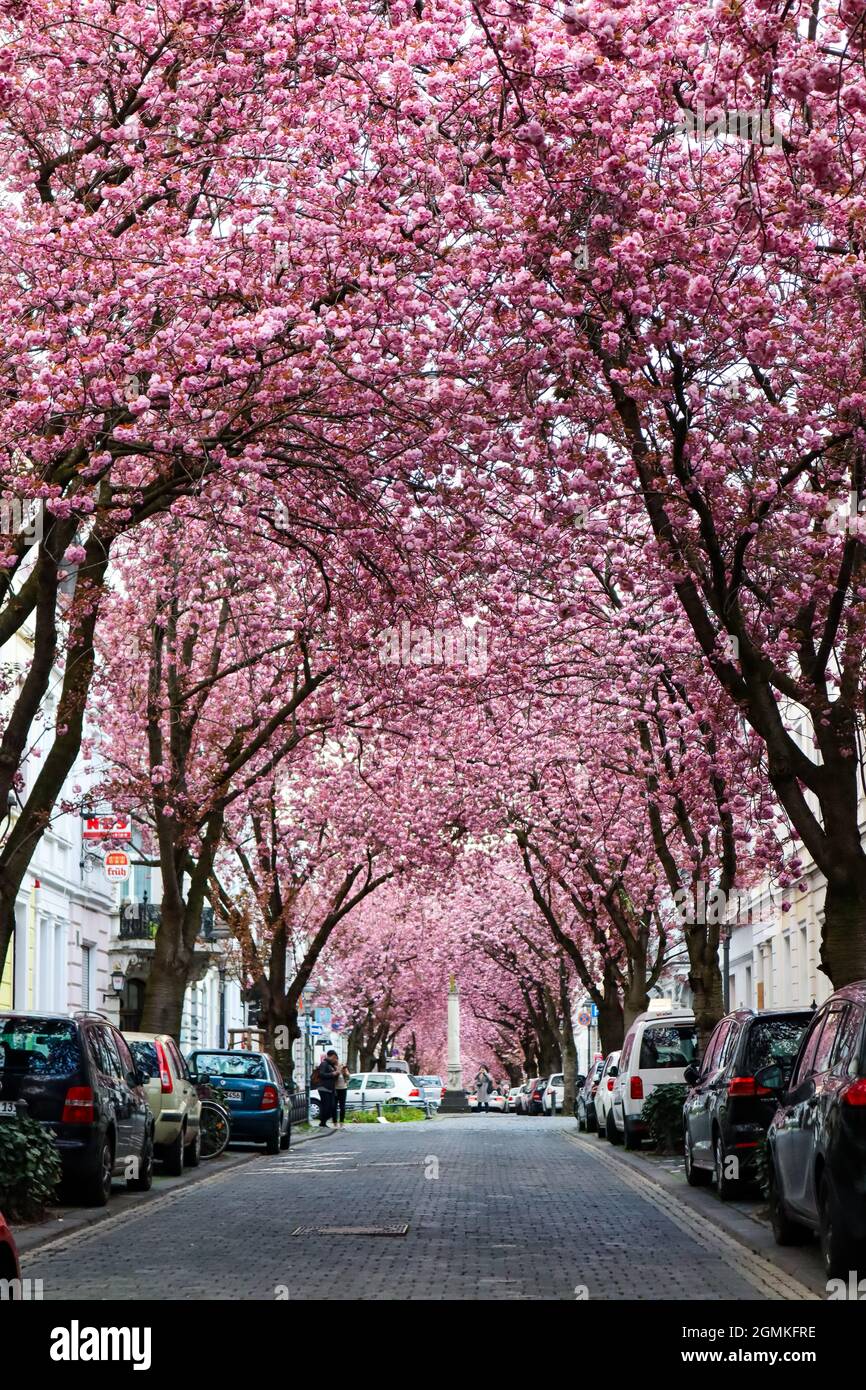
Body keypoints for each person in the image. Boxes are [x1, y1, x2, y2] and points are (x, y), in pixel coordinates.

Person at [315, 1050, 338, 1128]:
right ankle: (322, 1122)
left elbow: (335, 1077)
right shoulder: (324, 1064)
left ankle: (324, 1121)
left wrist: (336, 1070)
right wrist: (332, 1074)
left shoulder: (331, 1065)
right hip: (324, 1088)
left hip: (330, 1089)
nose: (335, 1060)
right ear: (331, 1056)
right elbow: (321, 1074)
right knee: (326, 1106)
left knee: (332, 1106)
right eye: (334, 1058)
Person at [334, 1059, 350, 1128]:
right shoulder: (334, 1069)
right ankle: (335, 1122)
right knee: (334, 1106)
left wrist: (345, 1071)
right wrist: (338, 1071)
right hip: (335, 1089)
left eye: (340, 1064)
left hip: (343, 1089)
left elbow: (348, 1077)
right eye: (338, 1065)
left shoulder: (344, 1069)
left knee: (342, 1107)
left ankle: (341, 1122)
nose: (339, 1066)